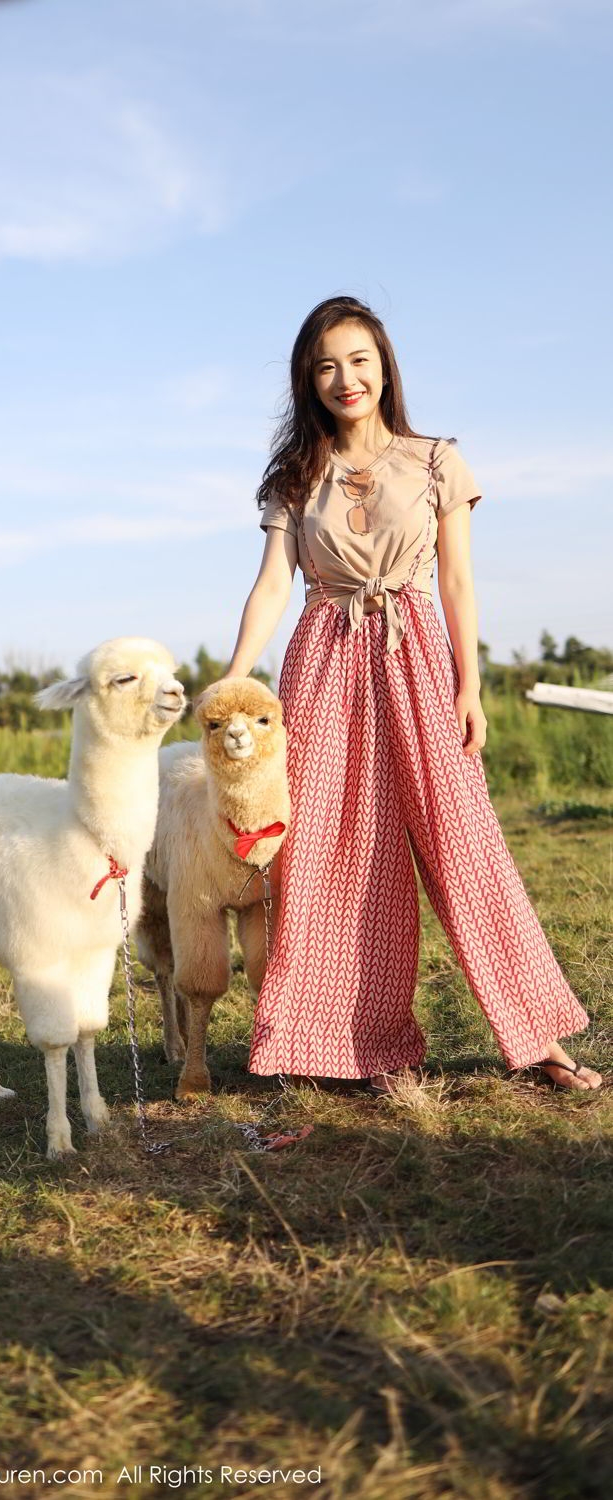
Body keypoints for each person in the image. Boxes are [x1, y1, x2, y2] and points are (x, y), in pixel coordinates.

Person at [223, 295, 601, 1094]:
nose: (344, 377)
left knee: (462, 841)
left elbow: (459, 581)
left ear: (384, 366)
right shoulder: (294, 477)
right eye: (325, 365)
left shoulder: (435, 460)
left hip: (417, 655)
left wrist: (471, 686)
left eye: (358, 360)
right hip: (322, 659)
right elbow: (270, 588)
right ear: (308, 381)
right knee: (327, 853)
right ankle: (334, 1046)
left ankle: (536, 1038)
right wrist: (234, 678)